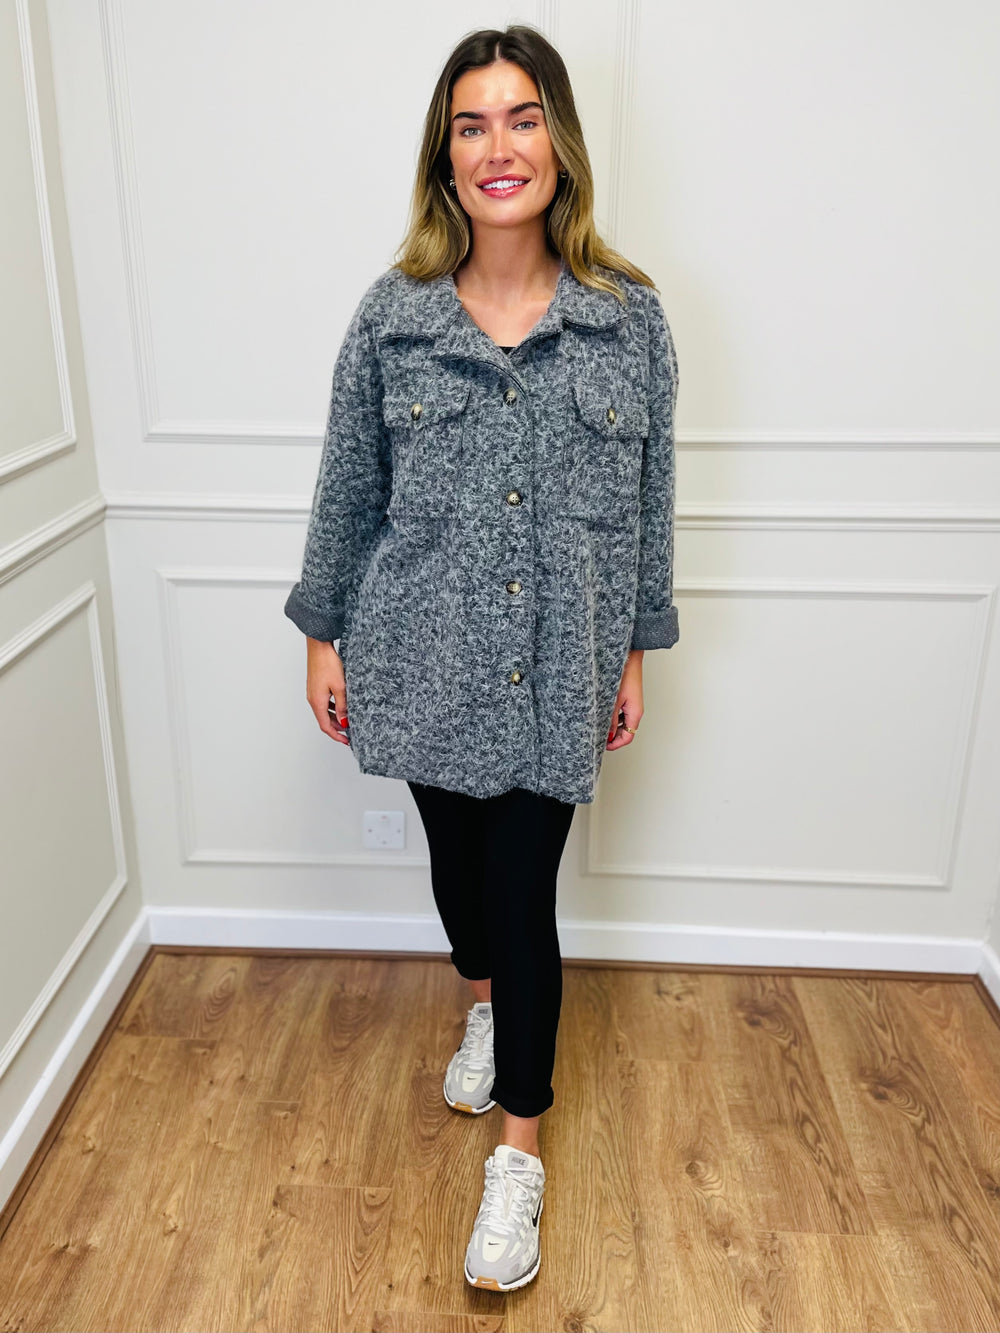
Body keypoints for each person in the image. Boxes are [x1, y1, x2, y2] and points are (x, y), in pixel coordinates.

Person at [283, 24, 679, 1293]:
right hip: (418, 653)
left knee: (522, 897)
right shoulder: (392, 318)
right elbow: (347, 488)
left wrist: (635, 649)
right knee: (462, 886)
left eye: (521, 117)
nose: (498, 146)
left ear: (558, 141)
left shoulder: (627, 318)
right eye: (471, 124)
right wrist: (323, 632)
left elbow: (651, 503)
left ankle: (520, 1150)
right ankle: (485, 1003)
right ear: (444, 157)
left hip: (562, 662)